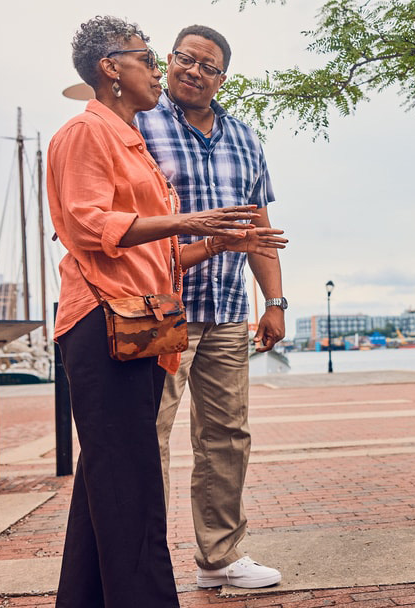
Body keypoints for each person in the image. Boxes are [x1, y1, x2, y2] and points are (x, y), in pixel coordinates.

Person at [48, 16, 286, 607]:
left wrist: (234, 260)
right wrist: (189, 222)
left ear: (223, 78)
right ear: (114, 69)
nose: (175, 71)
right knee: (132, 461)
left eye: (207, 65)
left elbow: (191, 242)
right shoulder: (109, 128)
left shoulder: (225, 138)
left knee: (157, 456)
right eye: (167, 58)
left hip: (188, 308)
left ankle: (202, 562)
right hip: (121, 315)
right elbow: (88, 223)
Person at [136, 24, 286, 589]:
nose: (193, 72)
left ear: (223, 78)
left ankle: (219, 559)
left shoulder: (246, 139)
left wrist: (274, 302)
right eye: (185, 59)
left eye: (208, 66)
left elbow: (260, 229)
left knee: (227, 436)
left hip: (226, 311)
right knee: (148, 435)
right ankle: (143, 561)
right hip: (158, 309)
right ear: (169, 60)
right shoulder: (139, 123)